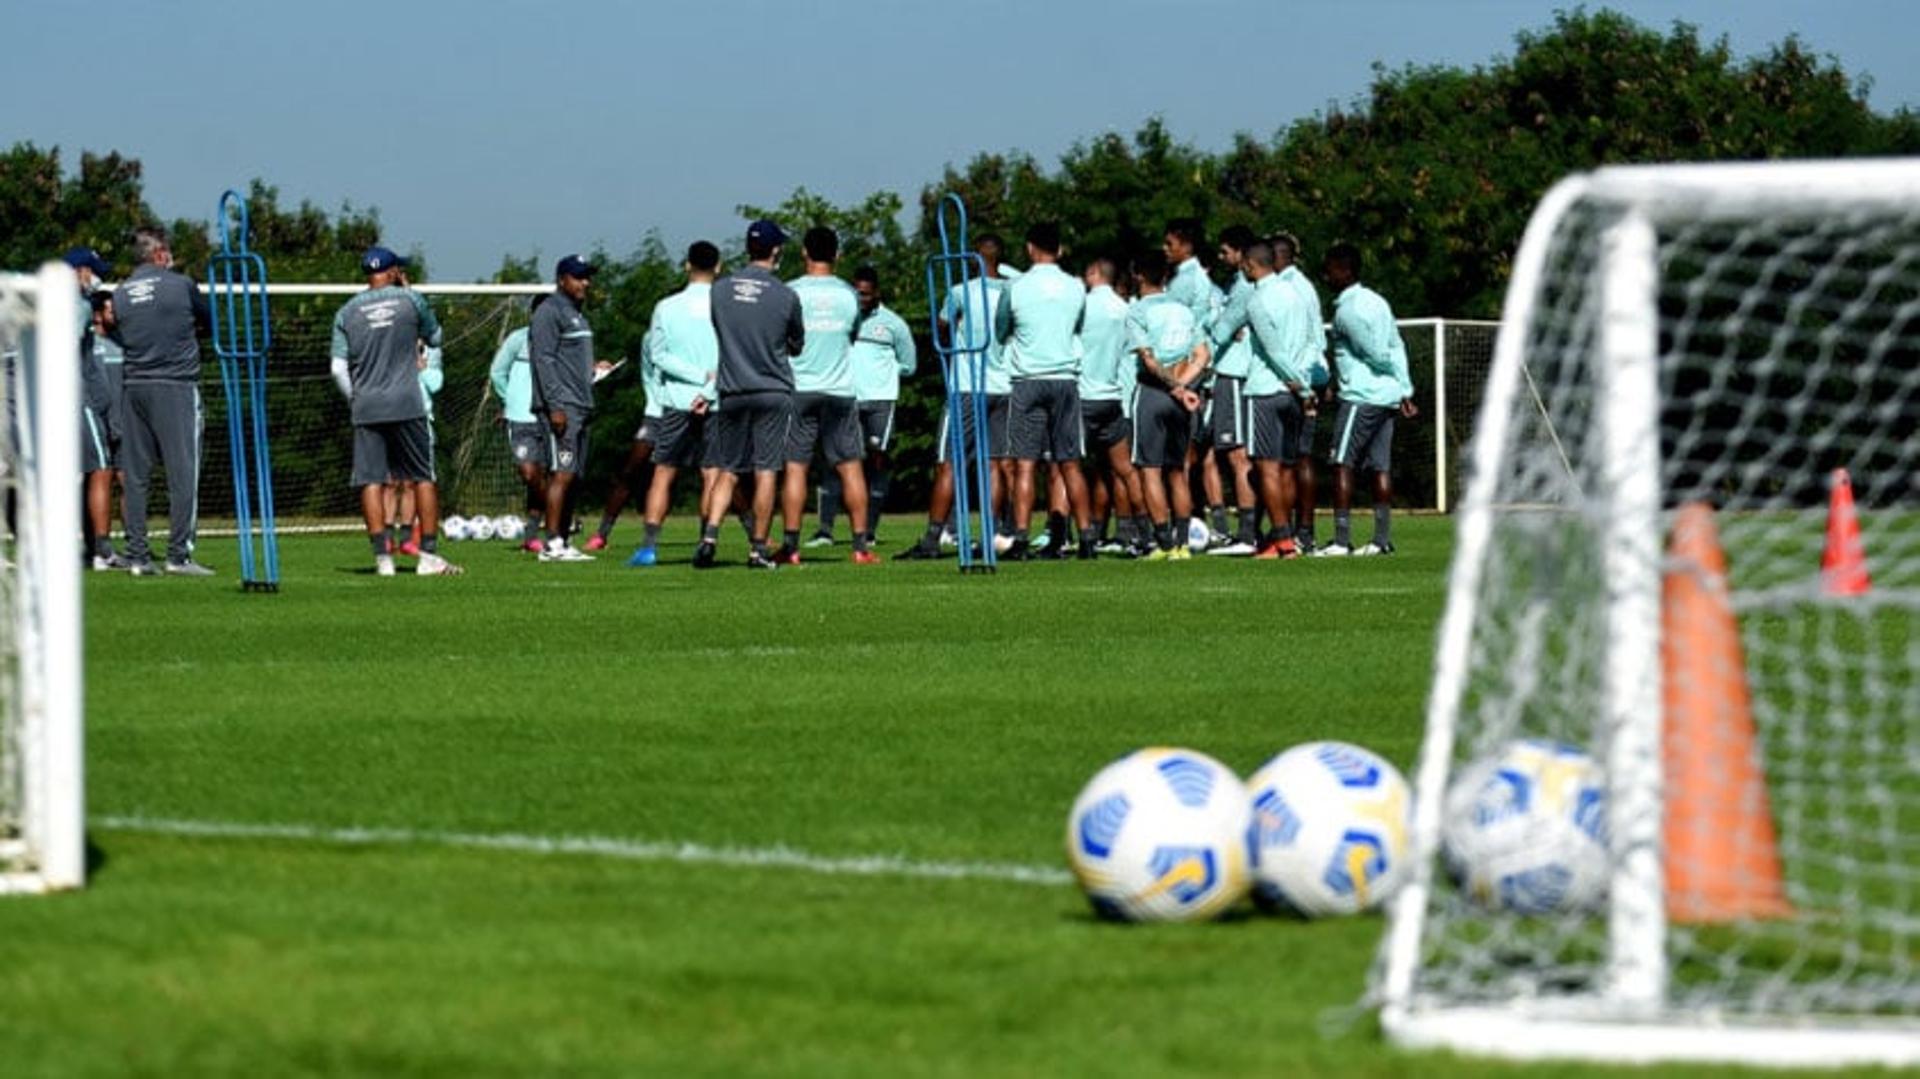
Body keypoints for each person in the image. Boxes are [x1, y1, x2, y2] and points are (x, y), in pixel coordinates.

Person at [329, 245, 460, 576]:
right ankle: (428, 556)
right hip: (407, 403)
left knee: (371, 481)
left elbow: (336, 368)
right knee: (423, 477)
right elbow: (437, 337)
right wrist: (409, 292)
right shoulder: (410, 300)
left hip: (366, 406)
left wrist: (354, 399)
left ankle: (382, 559)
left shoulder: (346, 312)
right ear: (390, 272)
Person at [898, 234, 1012, 560]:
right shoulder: (1009, 292)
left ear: (972, 258)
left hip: (967, 384)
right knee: (993, 463)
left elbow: (943, 326)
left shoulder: (961, 292)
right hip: (1002, 384)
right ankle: (991, 533)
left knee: (949, 462)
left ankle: (933, 537)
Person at [697, 220, 804, 570]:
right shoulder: (786, 295)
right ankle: (758, 548)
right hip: (772, 389)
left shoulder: (719, 289)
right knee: (766, 470)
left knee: (727, 469)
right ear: (775, 251)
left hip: (732, 388)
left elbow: (720, 329)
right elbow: (796, 344)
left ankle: (709, 537)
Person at [110, 227, 213, 576]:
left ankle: (137, 554)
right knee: (183, 473)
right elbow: (209, 321)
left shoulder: (120, 293)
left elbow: (120, 333)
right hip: (176, 386)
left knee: (136, 476)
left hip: (134, 385)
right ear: (158, 254)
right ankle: (178, 554)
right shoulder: (180, 285)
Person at [996, 221, 1093, 560]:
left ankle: (1020, 538)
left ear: (1029, 248)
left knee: (1025, 464)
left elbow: (1000, 329)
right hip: (1065, 378)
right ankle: (1087, 539)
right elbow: (1078, 326)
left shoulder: (1016, 286)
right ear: (1060, 249)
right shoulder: (1076, 286)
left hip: (1027, 379)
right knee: (1070, 464)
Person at [777, 226, 873, 565]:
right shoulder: (849, 294)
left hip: (799, 390)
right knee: (850, 467)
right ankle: (860, 546)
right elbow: (853, 334)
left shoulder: (789, 292)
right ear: (837, 255)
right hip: (841, 391)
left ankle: (791, 546)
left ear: (804, 252)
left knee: (795, 468)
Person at [1319, 241, 1415, 557]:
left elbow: (1376, 352)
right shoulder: (1377, 301)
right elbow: (1396, 344)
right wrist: (1403, 388)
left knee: (1342, 463)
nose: (1325, 275)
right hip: (1386, 396)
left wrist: (1392, 376)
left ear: (1344, 271)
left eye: (1329, 269)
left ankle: (1342, 540)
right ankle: (1380, 539)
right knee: (1380, 467)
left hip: (1361, 396)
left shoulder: (1348, 311)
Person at [628, 241, 720, 567]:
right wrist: (708, 385)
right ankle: (705, 542)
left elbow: (658, 355)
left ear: (686, 266)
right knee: (711, 474)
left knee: (664, 472)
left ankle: (649, 547)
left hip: (677, 399)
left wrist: (693, 379)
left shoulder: (666, 307)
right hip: (716, 400)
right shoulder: (725, 304)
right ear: (718, 267)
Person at [811, 265, 915, 548]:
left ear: (877, 293)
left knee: (877, 461)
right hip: (846, 399)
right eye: (857, 293)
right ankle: (824, 531)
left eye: (866, 294)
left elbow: (909, 364)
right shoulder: (842, 317)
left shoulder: (893, 324)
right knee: (836, 462)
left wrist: (883, 374)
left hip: (881, 401)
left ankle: (868, 531)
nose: (861, 299)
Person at [1230, 239, 1315, 559]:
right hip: (1292, 392)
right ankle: (1282, 538)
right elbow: (1309, 342)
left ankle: (1282, 543)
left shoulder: (1258, 301)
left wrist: (1299, 386)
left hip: (1267, 390)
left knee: (1267, 468)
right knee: (1287, 468)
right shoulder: (1297, 293)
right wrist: (1304, 385)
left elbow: (1274, 350)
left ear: (1251, 265)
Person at [1126, 251, 1210, 561]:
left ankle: (1163, 543)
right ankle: (1184, 544)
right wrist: (1184, 386)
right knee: (1177, 470)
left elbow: (1148, 360)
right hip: (1181, 397)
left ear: (1138, 276)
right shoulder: (1184, 310)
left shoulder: (1137, 311)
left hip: (1152, 394)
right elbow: (1202, 355)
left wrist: (1173, 387)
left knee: (1150, 470)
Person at [528, 254, 599, 562]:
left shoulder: (577, 314)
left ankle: (565, 540)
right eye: (579, 277)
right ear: (561, 280)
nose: (585, 283)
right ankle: (552, 543)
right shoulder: (548, 312)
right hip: (563, 407)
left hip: (582, 404)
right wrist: (555, 406)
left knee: (574, 476)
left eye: (587, 277)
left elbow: (569, 360)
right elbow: (543, 360)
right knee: (562, 473)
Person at [1077, 257, 1143, 554]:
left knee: (1067, 467)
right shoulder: (1124, 309)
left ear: (1093, 274)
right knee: (1124, 470)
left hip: (1083, 394)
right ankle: (1145, 528)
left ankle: (1076, 533)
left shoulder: (1082, 306)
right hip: (1113, 397)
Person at [1204, 226, 1261, 556]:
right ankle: (1237, 530)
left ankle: (1247, 534)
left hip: (1234, 374)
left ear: (1240, 253)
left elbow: (1222, 329)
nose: (1222, 258)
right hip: (1232, 375)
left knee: (1238, 456)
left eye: (1226, 252)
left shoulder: (1243, 287)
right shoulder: (1239, 286)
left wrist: (1217, 323)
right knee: (1223, 454)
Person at [66, 248, 123, 570]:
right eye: (92, 271)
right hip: (81, 399)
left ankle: (93, 546)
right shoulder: (79, 307)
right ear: (80, 271)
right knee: (101, 468)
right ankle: (102, 550)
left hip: (74, 398)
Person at [1273, 232, 1329, 553]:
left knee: (1299, 457)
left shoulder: (1296, 288)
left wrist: (1304, 384)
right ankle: (1292, 528)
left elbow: (1311, 340)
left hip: (1300, 380)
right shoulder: (1295, 286)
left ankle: (1304, 530)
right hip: (1299, 378)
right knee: (1288, 458)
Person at [487, 294, 551, 551]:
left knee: (546, 474)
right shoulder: (517, 338)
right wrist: (509, 398)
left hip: (550, 418)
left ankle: (532, 536)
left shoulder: (561, 341)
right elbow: (497, 372)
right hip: (520, 417)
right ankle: (560, 513)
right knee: (529, 473)